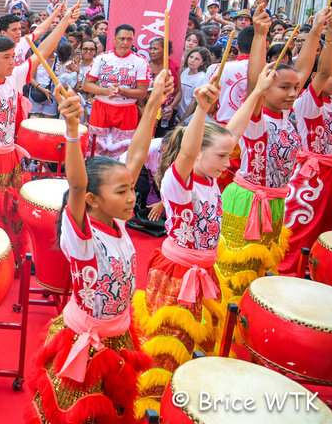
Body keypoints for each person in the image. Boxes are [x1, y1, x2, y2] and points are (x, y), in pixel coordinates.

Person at [26, 69, 173, 424]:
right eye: (121, 192)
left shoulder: (118, 221)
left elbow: (135, 155)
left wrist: (152, 102)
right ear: (92, 200)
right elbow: (75, 185)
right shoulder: (82, 237)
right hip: (84, 342)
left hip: (119, 336)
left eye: (130, 188)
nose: (132, 195)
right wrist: (73, 132)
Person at [133, 81, 232, 415]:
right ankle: (154, 403)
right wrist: (202, 109)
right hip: (176, 276)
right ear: (199, 154)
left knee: (193, 342)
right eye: (221, 156)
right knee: (167, 342)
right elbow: (189, 152)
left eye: (229, 156)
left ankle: (184, 401)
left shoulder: (212, 178)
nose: (228, 163)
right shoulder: (180, 181)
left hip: (203, 272)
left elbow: (234, 132)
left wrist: (259, 91)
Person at [0, 1, 79, 265]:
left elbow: (42, 50)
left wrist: (65, 21)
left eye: (13, 57)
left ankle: (9, 258)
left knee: (10, 212)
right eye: (6, 58)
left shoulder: (14, 77)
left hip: (10, 157)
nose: (13, 62)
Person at [215, 9, 302, 318]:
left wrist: (319, 32)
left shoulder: (288, 116)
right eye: (284, 88)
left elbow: (305, 71)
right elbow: (254, 84)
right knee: (233, 270)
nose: (292, 94)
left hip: (276, 204)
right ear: (266, 91)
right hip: (247, 202)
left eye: (296, 89)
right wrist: (262, 35)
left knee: (260, 270)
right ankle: (222, 327)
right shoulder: (259, 118)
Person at [280, 8, 332, 275]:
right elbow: (322, 71)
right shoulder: (308, 104)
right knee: (298, 231)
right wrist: (329, 33)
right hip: (313, 179)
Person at [83, 24, 151, 158]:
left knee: (122, 153)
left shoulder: (141, 61)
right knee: (95, 150)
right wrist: (107, 91)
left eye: (129, 39)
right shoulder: (102, 58)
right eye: (122, 39)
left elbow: (142, 92)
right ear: (114, 39)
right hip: (101, 108)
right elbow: (88, 85)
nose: (125, 43)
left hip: (127, 111)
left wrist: (121, 91)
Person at [177, 48, 212, 125]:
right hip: (177, 114)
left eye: (197, 59)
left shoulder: (202, 77)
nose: (192, 60)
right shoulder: (185, 72)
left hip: (187, 117)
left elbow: (194, 102)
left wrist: (183, 121)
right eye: (191, 57)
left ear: (202, 62)